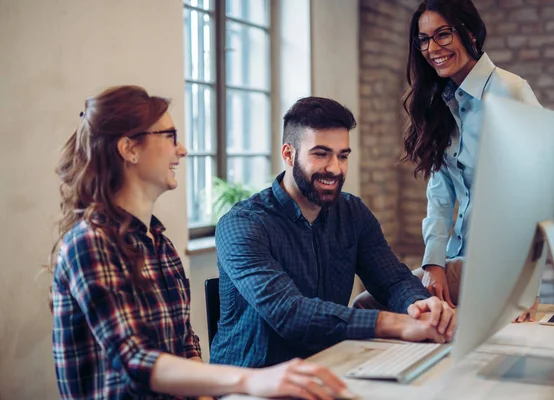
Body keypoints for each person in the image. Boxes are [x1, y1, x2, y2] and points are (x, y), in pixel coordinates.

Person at [49, 86, 347, 400]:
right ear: (129, 149)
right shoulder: (90, 243)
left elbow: (185, 343)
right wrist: (249, 381)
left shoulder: (159, 242)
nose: (182, 150)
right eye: (170, 136)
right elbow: (135, 360)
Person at [211, 96, 456, 369]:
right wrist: (396, 323)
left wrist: (421, 308)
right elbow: (288, 312)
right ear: (288, 154)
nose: (335, 168)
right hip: (251, 384)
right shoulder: (242, 224)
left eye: (342, 156)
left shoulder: (352, 213)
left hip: (330, 368)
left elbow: (393, 281)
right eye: (321, 154)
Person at [354, 0, 540, 322]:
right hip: (461, 260)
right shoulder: (444, 101)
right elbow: (441, 196)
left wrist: (524, 291)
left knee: (368, 307)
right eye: (423, 39)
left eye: (442, 35)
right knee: (376, 306)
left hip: (500, 267)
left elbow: (536, 198)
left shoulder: (511, 92)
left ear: (468, 32)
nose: (432, 48)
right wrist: (434, 264)